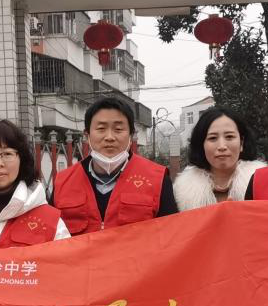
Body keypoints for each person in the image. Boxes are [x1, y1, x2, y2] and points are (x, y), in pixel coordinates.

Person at [51, 97, 177, 233]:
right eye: (101, 129)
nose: (109, 137)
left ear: (131, 135)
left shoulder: (157, 179)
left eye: (118, 129)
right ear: (87, 135)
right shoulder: (63, 182)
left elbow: (171, 237)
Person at [172, 107, 266, 210]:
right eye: (212, 138)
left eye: (229, 137)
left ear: (241, 143)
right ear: (201, 145)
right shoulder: (181, 193)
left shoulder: (263, 183)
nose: (222, 146)